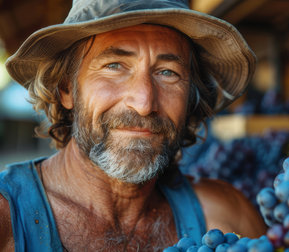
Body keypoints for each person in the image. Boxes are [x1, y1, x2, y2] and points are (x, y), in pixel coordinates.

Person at [0, 0, 267, 250]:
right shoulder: (6, 221)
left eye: (168, 73)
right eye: (114, 66)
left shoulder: (228, 220)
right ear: (66, 88)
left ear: (191, 96)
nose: (144, 103)